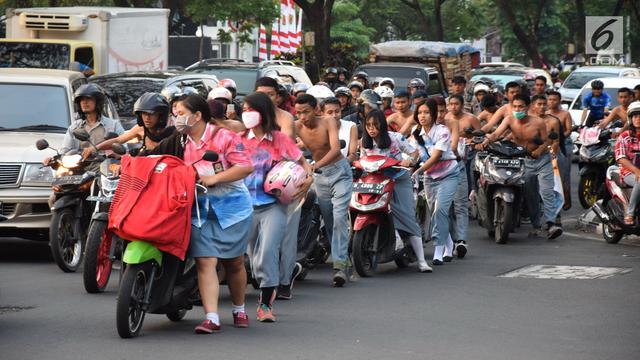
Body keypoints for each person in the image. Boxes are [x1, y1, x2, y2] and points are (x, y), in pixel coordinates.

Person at [172, 94, 255, 334]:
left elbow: (246, 166)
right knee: (205, 261)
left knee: (234, 263)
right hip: (200, 209)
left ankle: (239, 308)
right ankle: (211, 317)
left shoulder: (224, 136)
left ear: (197, 116)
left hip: (233, 210)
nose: (176, 119)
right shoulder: (182, 141)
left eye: (180, 114)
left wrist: (215, 178)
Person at [241, 92, 313, 321]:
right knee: (252, 259)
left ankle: (265, 307)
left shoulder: (280, 140)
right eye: (243, 110)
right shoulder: (238, 140)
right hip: (244, 206)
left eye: (248, 109)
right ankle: (258, 294)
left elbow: (303, 164)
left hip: (274, 205)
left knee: (267, 253)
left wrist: (308, 179)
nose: (245, 114)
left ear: (262, 113)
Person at [480, 94, 562, 239]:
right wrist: (485, 142)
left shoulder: (538, 123)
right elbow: (496, 133)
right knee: (530, 195)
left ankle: (550, 224)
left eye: (521, 106)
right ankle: (536, 225)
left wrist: (538, 151)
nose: (518, 109)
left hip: (542, 161)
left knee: (546, 192)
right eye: (515, 106)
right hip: (523, 161)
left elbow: (546, 141)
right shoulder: (509, 119)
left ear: (528, 107)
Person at [360, 109, 431, 272]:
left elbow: (415, 153)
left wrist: (409, 161)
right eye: (368, 125)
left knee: (407, 215)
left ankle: (421, 261)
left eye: (375, 125)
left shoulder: (395, 138)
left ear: (382, 126)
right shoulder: (364, 142)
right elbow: (362, 160)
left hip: (399, 179)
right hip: (376, 182)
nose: (371, 129)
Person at [294, 94, 354, 285]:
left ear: (316, 110)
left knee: (338, 218)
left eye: (306, 112)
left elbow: (336, 149)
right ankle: (343, 259)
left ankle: (339, 267)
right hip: (319, 177)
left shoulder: (328, 121)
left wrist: (314, 165)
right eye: (299, 113)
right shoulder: (296, 126)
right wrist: (304, 165)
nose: (303, 116)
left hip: (339, 173)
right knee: (328, 221)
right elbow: (289, 148)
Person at [412, 99, 460, 265]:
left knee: (440, 210)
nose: (422, 116)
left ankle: (438, 250)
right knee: (436, 213)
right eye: (419, 112)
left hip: (449, 175)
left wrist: (418, 170)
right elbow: (413, 154)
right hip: (429, 178)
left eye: (426, 112)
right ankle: (449, 244)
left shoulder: (442, 132)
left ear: (433, 114)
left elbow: (436, 156)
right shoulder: (415, 132)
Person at [45, 84, 124, 166]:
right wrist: (53, 159)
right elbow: (65, 151)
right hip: (79, 169)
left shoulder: (113, 125)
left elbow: (124, 149)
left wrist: (112, 154)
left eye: (88, 99)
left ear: (98, 102)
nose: (84, 102)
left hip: (106, 170)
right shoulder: (74, 127)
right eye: (81, 100)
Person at [86, 92, 174, 158]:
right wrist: (94, 148)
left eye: (151, 114)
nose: (147, 118)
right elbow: (118, 140)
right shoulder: (140, 129)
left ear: (161, 115)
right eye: (144, 113)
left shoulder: (174, 133)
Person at [614, 101, 640, 225]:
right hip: (629, 173)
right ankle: (630, 212)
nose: (638, 119)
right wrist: (637, 171)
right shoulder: (625, 136)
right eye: (635, 116)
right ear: (631, 118)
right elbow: (621, 158)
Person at [547, 90, 574, 209]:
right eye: (550, 99)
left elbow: (569, 129)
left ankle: (567, 198)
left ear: (559, 101)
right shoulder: (546, 113)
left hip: (564, 145)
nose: (552, 102)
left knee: (564, 173)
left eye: (554, 100)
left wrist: (560, 137)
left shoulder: (565, 114)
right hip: (549, 145)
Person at [322, 97, 358, 163]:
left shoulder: (351, 126)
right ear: (322, 114)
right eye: (330, 112)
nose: (334, 115)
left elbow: (353, 155)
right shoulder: (317, 128)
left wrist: (340, 165)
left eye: (337, 111)